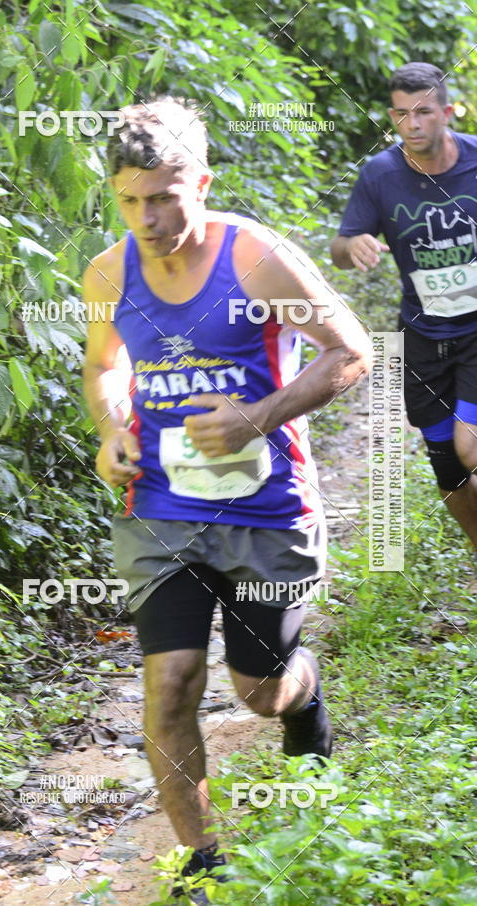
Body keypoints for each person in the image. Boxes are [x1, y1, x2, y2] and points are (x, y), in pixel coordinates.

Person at [83, 97, 371, 904]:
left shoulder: (256, 258)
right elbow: (105, 364)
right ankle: (203, 866)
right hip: (160, 507)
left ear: (200, 181)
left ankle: (302, 700)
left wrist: (257, 416)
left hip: (267, 509)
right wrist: (112, 427)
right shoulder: (109, 271)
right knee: (169, 681)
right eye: (132, 198)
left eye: (166, 195)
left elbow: (351, 352)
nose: (148, 215)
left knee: (258, 688)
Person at [331, 62, 477, 550]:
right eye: (400, 115)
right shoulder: (380, 175)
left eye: (423, 112)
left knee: (469, 445)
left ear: (447, 112)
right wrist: (352, 248)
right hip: (421, 337)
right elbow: (341, 244)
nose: (411, 125)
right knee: (447, 465)